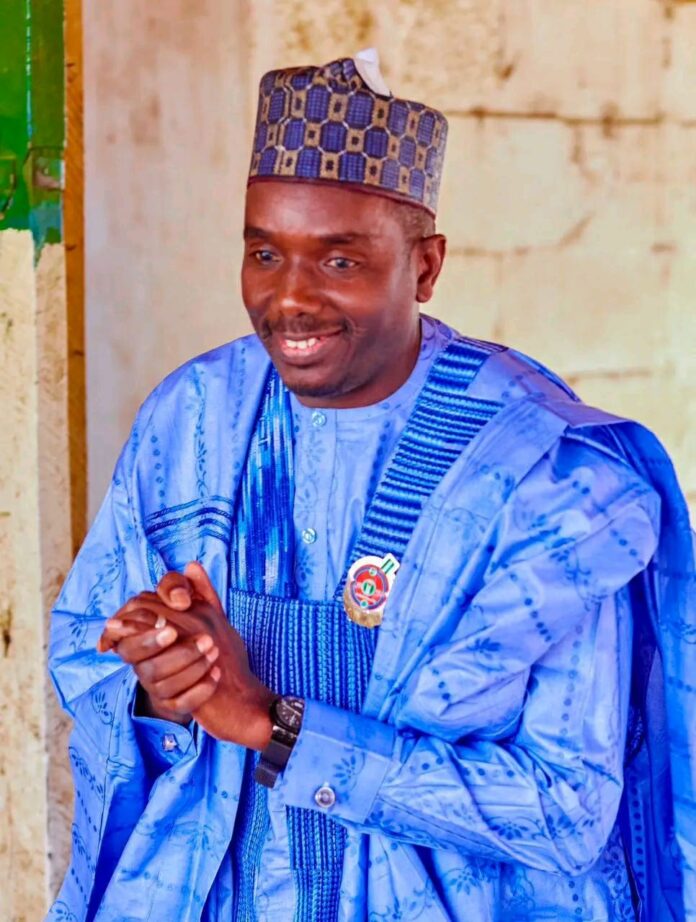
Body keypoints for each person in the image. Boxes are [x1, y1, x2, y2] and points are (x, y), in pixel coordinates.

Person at [48, 50, 695, 922]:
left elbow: (563, 810)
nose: (289, 299)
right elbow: (89, 665)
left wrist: (274, 724)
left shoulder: (548, 479)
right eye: (264, 252)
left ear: (424, 267)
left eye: (340, 262)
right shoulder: (193, 420)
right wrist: (165, 684)